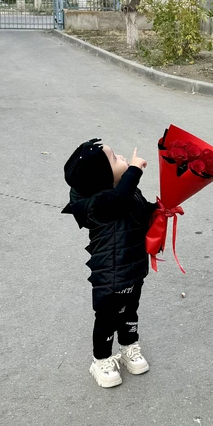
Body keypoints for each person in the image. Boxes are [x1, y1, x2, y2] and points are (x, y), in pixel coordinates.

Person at [62, 139, 157, 388]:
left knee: (130, 311)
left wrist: (160, 209)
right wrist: (135, 169)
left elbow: (142, 212)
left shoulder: (128, 193)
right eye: (115, 158)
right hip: (110, 274)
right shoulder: (98, 205)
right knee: (107, 317)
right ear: (102, 177)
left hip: (134, 267)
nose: (123, 156)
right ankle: (101, 359)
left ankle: (128, 347)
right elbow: (119, 198)